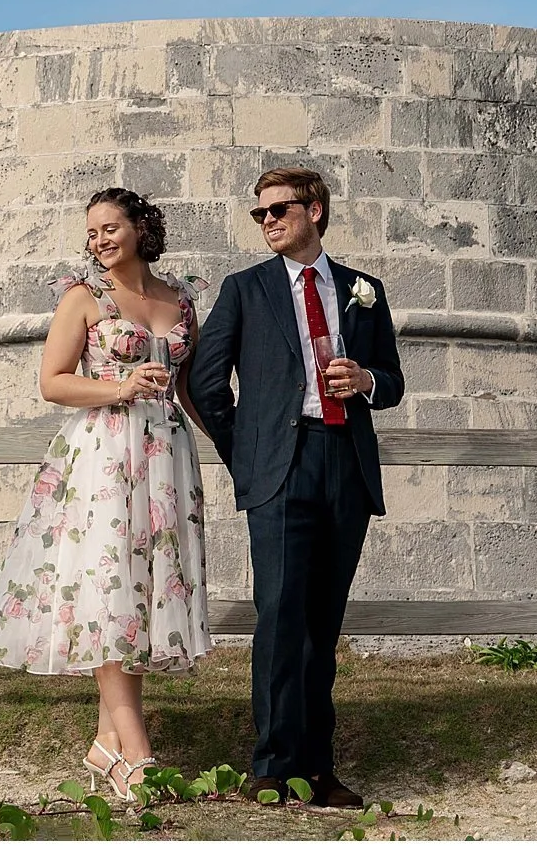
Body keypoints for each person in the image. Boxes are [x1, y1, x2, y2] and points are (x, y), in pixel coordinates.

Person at [0, 187, 211, 801]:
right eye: (92, 232)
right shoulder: (84, 299)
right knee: (108, 590)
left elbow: (190, 391)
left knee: (141, 593)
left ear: (141, 228)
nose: (99, 241)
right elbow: (52, 383)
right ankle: (138, 752)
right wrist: (120, 387)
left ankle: (105, 743)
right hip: (104, 457)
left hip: (167, 460)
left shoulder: (179, 300)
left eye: (110, 228)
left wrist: (239, 450)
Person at [186, 166, 403, 809]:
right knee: (280, 617)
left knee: (322, 624)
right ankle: (274, 767)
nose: (269, 221)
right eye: (260, 214)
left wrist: (364, 381)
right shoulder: (245, 290)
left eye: (280, 209)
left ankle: (320, 767)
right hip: (279, 468)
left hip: (345, 463)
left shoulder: (364, 290)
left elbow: (393, 380)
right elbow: (204, 383)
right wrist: (247, 458)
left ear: (316, 211)